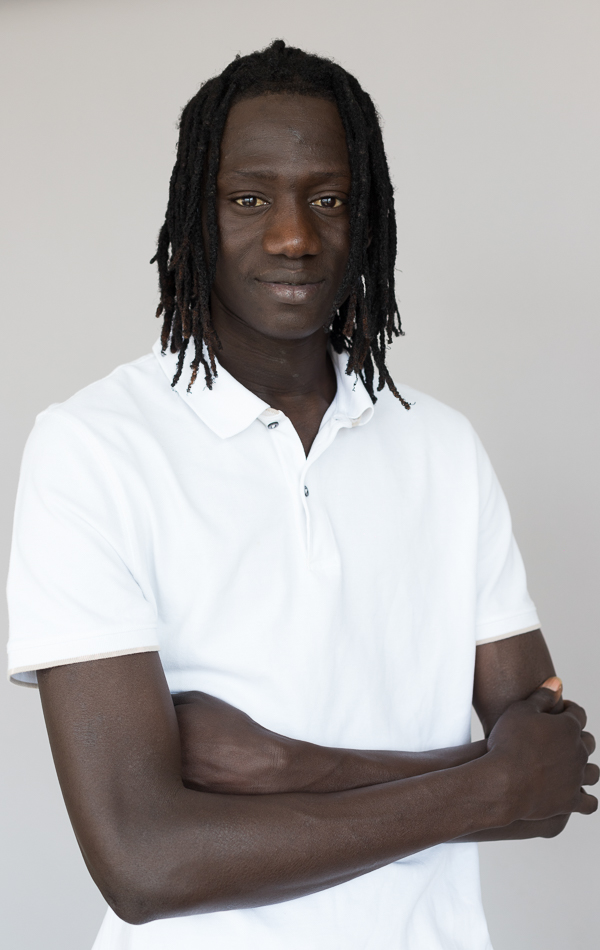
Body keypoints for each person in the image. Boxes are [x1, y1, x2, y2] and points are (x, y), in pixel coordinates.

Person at [6, 40, 597, 950]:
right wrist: (488, 779)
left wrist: (287, 765)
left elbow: (548, 793)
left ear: (370, 218)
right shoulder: (92, 448)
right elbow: (144, 863)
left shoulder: (441, 448)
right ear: (195, 214)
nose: (293, 236)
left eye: (329, 199)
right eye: (249, 199)